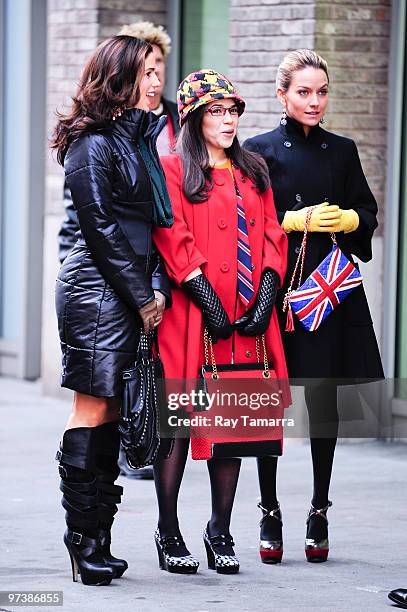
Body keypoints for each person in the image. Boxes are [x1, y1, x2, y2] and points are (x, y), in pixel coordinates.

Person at [244, 49, 384, 564]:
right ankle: (269, 510)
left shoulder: (343, 150)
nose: (314, 100)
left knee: (324, 402)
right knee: (267, 404)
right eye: (303, 91)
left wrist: (350, 220)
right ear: (282, 95)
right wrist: (289, 221)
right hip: (277, 290)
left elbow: (368, 209)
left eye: (322, 91)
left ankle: (319, 509)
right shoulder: (256, 150)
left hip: (331, 289)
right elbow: (247, 220)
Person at [152, 69, 289, 575]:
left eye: (233, 111)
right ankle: (169, 533)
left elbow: (273, 232)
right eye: (217, 111)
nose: (228, 120)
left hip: (249, 316)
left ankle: (220, 530)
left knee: (232, 426)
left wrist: (270, 288)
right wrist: (203, 291)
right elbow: (171, 233)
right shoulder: (172, 169)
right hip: (191, 317)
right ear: (193, 117)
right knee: (181, 426)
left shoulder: (253, 168)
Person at [50, 35, 173, 586]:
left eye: (158, 71)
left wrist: (152, 288)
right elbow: (98, 229)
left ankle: (98, 541)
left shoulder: (141, 140)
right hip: (95, 293)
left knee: (115, 414)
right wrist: (142, 294)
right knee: (93, 409)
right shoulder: (92, 144)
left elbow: (148, 227)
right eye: (146, 72)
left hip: (126, 289)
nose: (156, 82)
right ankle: (83, 548)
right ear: (119, 77)